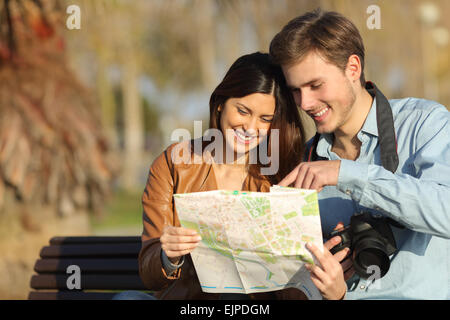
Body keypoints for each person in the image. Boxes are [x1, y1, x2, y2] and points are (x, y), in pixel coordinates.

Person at [269, 9, 450, 300]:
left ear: (353, 68)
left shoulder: (425, 124)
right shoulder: (303, 165)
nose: (305, 102)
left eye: (316, 85)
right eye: (296, 91)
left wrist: (346, 174)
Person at [132, 52, 310, 300]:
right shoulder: (174, 163)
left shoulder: (282, 174)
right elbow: (150, 274)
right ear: (220, 103)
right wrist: (168, 256)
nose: (250, 128)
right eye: (243, 111)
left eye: (264, 119)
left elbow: (294, 281)